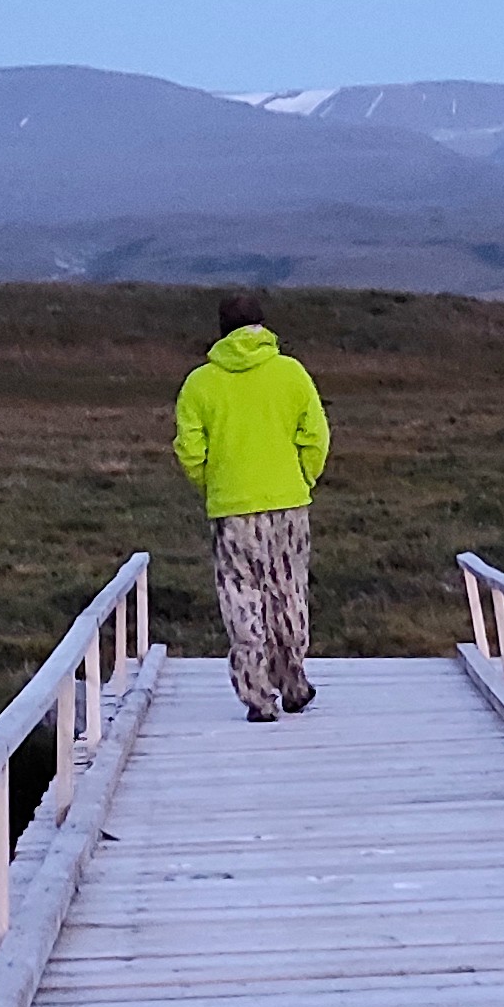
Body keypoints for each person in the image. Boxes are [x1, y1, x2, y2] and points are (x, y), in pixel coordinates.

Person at [173, 303, 331, 722]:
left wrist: (213, 483)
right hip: (288, 504)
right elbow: (316, 436)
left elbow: (190, 449)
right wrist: (303, 478)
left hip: (232, 510)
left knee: (242, 598)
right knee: (288, 592)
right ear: (262, 326)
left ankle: (258, 696)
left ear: (222, 331)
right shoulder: (291, 373)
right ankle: (294, 683)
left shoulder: (199, 384)